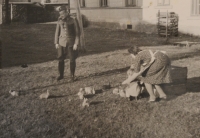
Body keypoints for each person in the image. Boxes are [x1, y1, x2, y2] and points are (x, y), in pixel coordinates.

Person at [54, 5, 80, 82]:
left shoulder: (73, 20)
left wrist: (76, 43)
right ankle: (61, 75)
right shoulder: (59, 20)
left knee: (72, 59)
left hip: (71, 43)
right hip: (61, 43)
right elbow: (57, 32)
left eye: (62, 13)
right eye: (60, 14)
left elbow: (77, 33)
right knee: (60, 59)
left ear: (66, 12)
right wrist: (56, 42)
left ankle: (72, 75)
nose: (61, 15)